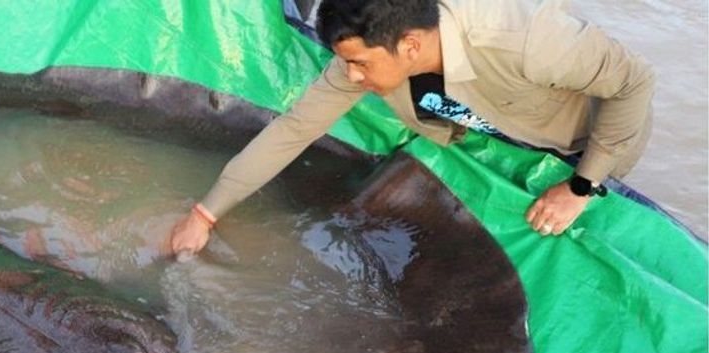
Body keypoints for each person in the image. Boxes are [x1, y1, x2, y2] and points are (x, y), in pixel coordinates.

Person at [168, 0, 655, 254]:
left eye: (358, 63)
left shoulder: (522, 39)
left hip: (583, 141)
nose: (351, 77)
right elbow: (294, 128)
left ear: (409, 46)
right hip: (491, 129)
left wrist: (583, 186)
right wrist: (206, 213)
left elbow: (634, 83)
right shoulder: (371, 50)